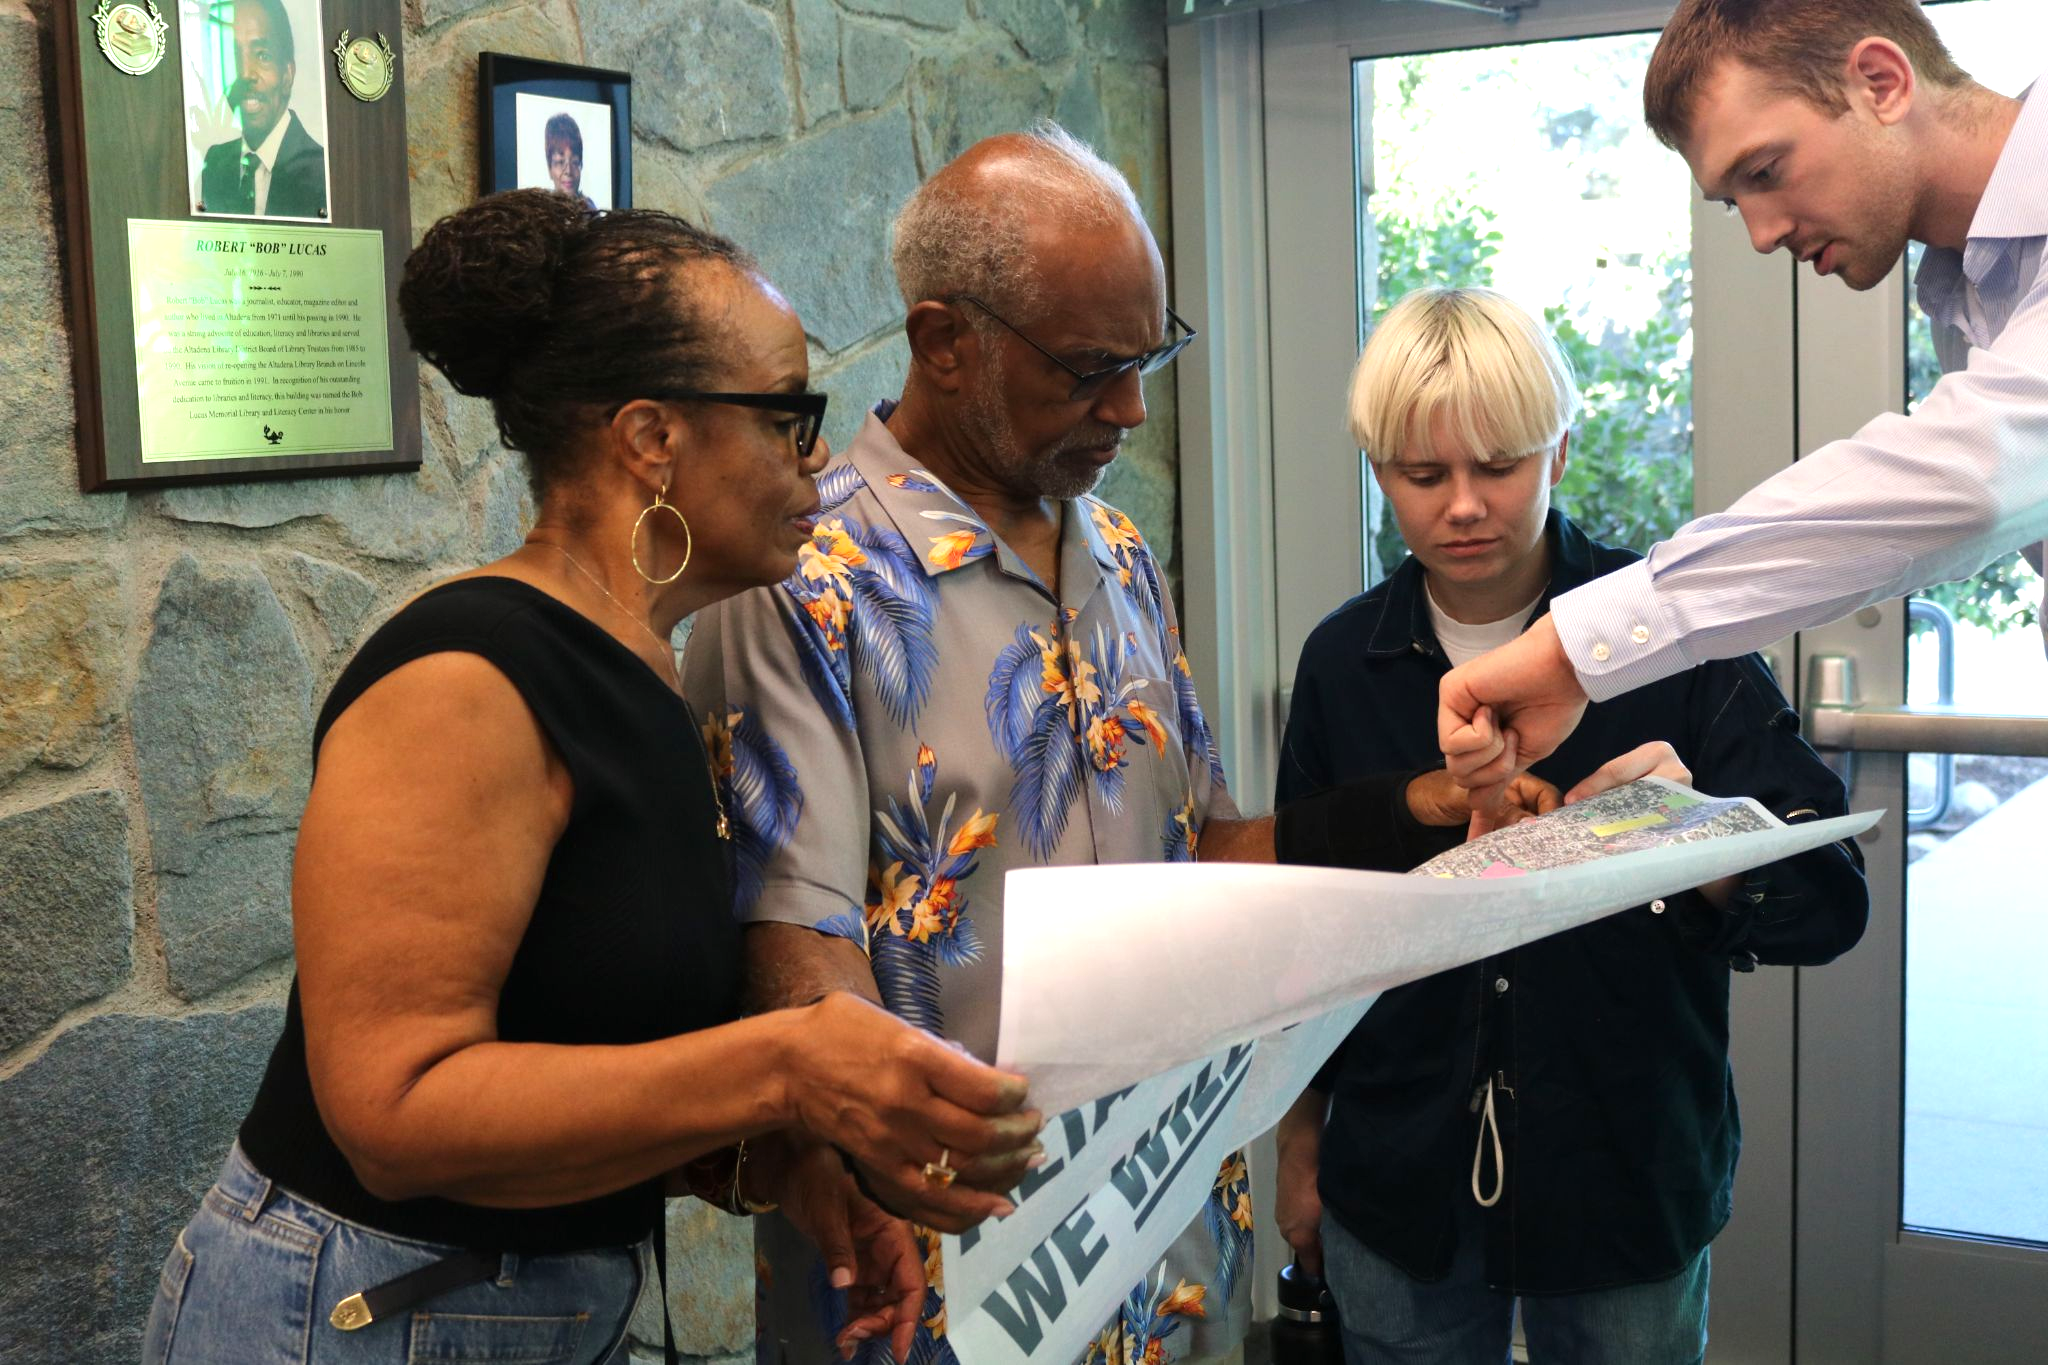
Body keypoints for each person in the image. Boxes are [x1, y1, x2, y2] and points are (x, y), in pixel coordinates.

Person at [141, 190, 1039, 1365]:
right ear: (651, 438)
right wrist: (786, 1066)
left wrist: (785, 1168)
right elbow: (392, 1116)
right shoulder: (467, 680)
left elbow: (578, 1045)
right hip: (358, 1313)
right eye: (786, 416)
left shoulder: (645, 670)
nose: (815, 458)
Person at [684, 121, 1309, 1365]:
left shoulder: (1117, 548)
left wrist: (1434, 833)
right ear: (943, 342)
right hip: (945, 1276)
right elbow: (792, 953)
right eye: (1089, 370)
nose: (1131, 409)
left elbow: (1202, 852)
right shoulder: (800, 578)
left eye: (1148, 357)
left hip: (1174, 1248)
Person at [1274, 287, 1869, 1365]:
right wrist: (1298, 1140)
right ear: (1377, 473)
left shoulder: (1676, 634)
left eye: (1498, 466)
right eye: (1422, 475)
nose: (1464, 506)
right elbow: (1302, 928)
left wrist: (1691, 840)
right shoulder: (1339, 661)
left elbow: (1829, 902)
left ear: (1559, 451)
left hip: (1624, 1165)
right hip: (1397, 1169)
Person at [1437, 0, 2048, 811]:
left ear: (1881, 82)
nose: (1761, 235)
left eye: (1764, 172)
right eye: (1733, 201)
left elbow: (1974, 477)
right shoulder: (1972, 289)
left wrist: (1572, 648)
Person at [197, 0, 327, 219]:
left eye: (263, 56)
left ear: (287, 75)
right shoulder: (215, 164)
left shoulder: (320, 170)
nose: (245, 73)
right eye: (234, 55)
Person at [546, 112, 599, 211]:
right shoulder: (540, 213)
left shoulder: (591, 211)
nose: (569, 171)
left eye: (575, 162)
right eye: (560, 162)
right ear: (550, 169)